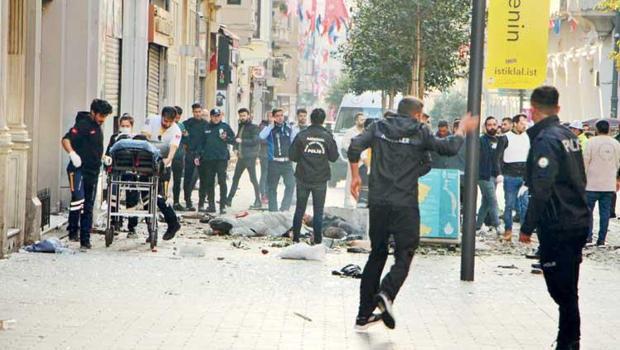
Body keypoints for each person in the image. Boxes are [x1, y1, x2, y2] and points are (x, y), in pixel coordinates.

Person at [348, 96, 477, 331]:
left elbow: (354, 146)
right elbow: (448, 148)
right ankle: (386, 293)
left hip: (378, 202)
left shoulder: (377, 128)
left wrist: (355, 176)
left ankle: (362, 316)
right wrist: (461, 131)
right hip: (404, 203)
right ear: (417, 114)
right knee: (404, 254)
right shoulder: (421, 131)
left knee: (376, 255)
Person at [518, 86, 589, 350]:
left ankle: (569, 342)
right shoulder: (569, 136)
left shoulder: (546, 140)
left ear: (532, 111)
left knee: (561, 288)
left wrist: (527, 226)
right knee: (568, 288)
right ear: (557, 109)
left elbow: (542, 188)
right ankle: (568, 340)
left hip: (558, 223)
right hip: (577, 218)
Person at [61, 99, 113, 249]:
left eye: (105, 116)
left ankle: (85, 239)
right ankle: (73, 231)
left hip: (93, 171)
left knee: (88, 204)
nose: (102, 119)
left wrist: (102, 158)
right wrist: (72, 154)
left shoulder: (98, 127)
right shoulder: (83, 124)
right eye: (100, 115)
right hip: (78, 169)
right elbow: (66, 140)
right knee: (78, 201)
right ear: (93, 112)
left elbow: (92, 148)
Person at [289, 108, 339, 244]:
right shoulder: (327, 136)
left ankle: (295, 239)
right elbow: (334, 157)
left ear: (310, 119)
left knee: (299, 209)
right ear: (323, 120)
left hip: (303, 177)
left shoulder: (302, 135)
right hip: (320, 179)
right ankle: (317, 240)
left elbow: (292, 156)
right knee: (318, 211)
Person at [141, 106, 182, 241]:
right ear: (161, 116)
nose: (167, 124)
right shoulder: (151, 119)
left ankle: (173, 223)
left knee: (159, 198)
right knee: (146, 198)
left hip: (163, 166)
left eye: (170, 122)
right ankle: (152, 230)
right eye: (165, 121)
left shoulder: (176, 130)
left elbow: (173, 148)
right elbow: (144, 137)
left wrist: (166, 161)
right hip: (146, 164)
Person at [583, 119, 620, 246]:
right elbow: (617, 163)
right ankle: (601, 239)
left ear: (596, 130)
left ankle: (588, 236)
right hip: (608, 184)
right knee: (605, 213)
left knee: (588, 211)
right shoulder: (616, 143)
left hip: (592, 183)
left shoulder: (590, 142)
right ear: (609, 129)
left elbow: (585, 162)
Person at [196, 108, 235, 214]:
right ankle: (211, 205)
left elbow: (233, 140)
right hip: (208, 159)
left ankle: (222, 205)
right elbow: (201, 143)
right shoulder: (206, 127)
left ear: (221, 116)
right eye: (214, 116)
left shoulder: (225, 127)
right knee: (210, 182)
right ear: (211, 116)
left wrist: (226, 138)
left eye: (218, 116)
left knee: (222, 181)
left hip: (221, 158)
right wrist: (198, 155)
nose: (216, 118)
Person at [259, 108, 298, 212]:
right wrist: (271, 125)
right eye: (277, 116)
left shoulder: (289, 128)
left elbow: (295, 140)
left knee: (291, 184)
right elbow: (261, 136)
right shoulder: (270, 129)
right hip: (274, 162)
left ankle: (284, 208)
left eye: (281, 115)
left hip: (287, 162)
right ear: (273, 117)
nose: (280, 118)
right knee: (272, 188)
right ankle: (273, 210)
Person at [104, 114, 136, 236]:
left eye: (127, 126)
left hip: (130, 171)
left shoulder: (136, 138)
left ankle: (132, 226)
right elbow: (108, 153)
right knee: (113, 195)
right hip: (116, 170)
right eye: (122, 126)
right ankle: (114, 221)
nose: (125, 128)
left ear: (132, 126)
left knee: (132, 197)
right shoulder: (114, 138)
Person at [501, 114, 530, 242]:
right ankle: (508, 230)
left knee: (525, 205)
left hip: (524, 175)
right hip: (510, 175)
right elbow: (498, 157)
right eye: (522, 123)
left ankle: (523, 233)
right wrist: (499, 173)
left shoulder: (527, 137)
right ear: (515, 123)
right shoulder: (505, 138)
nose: (524, 125)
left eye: (525, 123)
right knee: (509, 205)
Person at [227, 108, 262, 209]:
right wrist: (234, 147)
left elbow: (255, 141)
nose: (242, 117)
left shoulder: (254, 127)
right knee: (235, 178)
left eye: (244, 115)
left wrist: (241, 141)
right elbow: (237, 139)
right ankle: (229, 200)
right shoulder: (241, 126)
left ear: (248, 116)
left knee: (253, 179)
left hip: (250, 158)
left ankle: (258, 200)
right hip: (241, 158)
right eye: (241, 115)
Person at [476, 116, 505, 235]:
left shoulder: (500, 140)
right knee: (493, 200)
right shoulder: (481, 140)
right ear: (485, 126)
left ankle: (477, 226)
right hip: (483, 175)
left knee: (486, 202)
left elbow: (498, 159)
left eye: (494, 124)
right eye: (489, 125)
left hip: (494, 175)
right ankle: (497, 225)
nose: (492, 127)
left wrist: (499, 173)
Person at [181, 103, 207, 211]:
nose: (197, 114)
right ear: (193, 112)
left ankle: (201, 203)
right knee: (188, 178)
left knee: (203, 179)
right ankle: (188, 201)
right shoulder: (187, 123)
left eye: (199, 112)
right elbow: (182, 137)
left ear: (202, 112)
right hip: (190, 153)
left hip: (202, 154)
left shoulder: (206, 124)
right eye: (195, 112)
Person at [342, 112, 366, 208]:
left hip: (364, 160)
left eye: (364, 119)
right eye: (361, 119)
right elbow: (344, 144)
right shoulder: (350, 132)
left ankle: (360, 200)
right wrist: (354, 151)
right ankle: (347, 199)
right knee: (350, 179)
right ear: (356, 121)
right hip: (353, 159)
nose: (362, 121)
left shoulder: (366, 131)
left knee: (363, 180)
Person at [171, 106, 187, 211]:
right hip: (167, 156)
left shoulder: (181, 126)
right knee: (164, 179)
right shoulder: (167, 124)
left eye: (178, 116)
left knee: (177, 180)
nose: (177, 117)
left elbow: (186, 138)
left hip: (178, 156)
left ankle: (176, 202)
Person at [258, 118, 270, 204]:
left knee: (266, 175)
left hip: (267, 155)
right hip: (265, 155)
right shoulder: (264, 127)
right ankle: (263, 195)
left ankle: (264, 194)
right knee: (265, 176)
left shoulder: (266, 127)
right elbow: (261, 140)